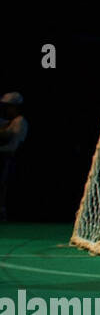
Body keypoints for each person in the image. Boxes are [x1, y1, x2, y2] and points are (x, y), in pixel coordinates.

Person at [0, 91, 28, 221]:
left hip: (10, 157)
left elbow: (11, 141)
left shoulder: (19, 121)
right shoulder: (8, 122)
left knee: (5, 186)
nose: (6, 109)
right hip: (5, 157)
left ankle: (5, 213)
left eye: (8, 106)